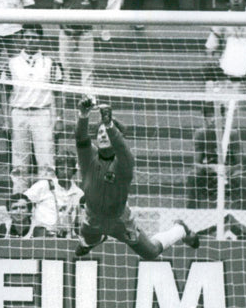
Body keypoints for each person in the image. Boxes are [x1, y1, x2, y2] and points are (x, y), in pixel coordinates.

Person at [73, 99, 200, 258]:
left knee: (151, 253)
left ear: (118, 136)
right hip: (92, 219)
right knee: (85, 243)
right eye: (100, 133)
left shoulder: (124, 163)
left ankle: (179, 229)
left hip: (119, 221)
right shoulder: (89, 158)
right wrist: (83, 115)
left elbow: (121, 149)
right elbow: (80, 138)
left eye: (106, 132)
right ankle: (90, 242)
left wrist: (110, 125)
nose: (103, 135)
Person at [2, 25, 63, 194]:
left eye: (34, 37)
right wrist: (6, 120)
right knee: (19, 163)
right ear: (22, 39)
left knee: (46, 162)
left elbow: (58, 93)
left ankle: (46, 201)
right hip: (19, 113)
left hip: (42, 113)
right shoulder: (12, 63)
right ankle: (19, 200)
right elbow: (4, 93)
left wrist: (58, 119)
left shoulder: (50, 63)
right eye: (27, 37)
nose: (30, 40)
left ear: (40, 39)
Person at [53, 0, 102, 88]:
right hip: (67, 32)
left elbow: (96, 7)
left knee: (87, 63)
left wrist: (90, 24)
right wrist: (64, 27)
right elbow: (55, 10)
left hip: (85, 32)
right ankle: (65, 93)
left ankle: (88, 95)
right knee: (65, 64)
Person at [186, 102, 246, 210]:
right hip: (208, 172)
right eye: (209, 116)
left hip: (229, 172)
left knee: (239, 178)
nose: (213, 119)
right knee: (193, 176)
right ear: (204, 118)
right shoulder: (200, 134)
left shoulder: (232, 134)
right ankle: (191, 212)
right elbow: (196, 164)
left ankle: (245, 212)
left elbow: (240, 164)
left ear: (223, 117)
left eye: (216, 115)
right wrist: (211, 167)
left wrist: (228, 169)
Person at [204, 0, 246, 84]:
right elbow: (210, 45)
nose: (236, 0)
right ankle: (211, 99)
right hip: (227, 63)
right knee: (208, 70)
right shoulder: (222, 20)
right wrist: (210, 58)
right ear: (228, 2)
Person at [22, 153, 84, 238]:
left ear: (74, 171)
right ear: (56, 171)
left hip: (65, 237)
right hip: (41, 236)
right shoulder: (43, 185)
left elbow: (79, 221)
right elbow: (22, 201)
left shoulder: (79, 193)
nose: (65, 172)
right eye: (61, 169)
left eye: (68, 168)